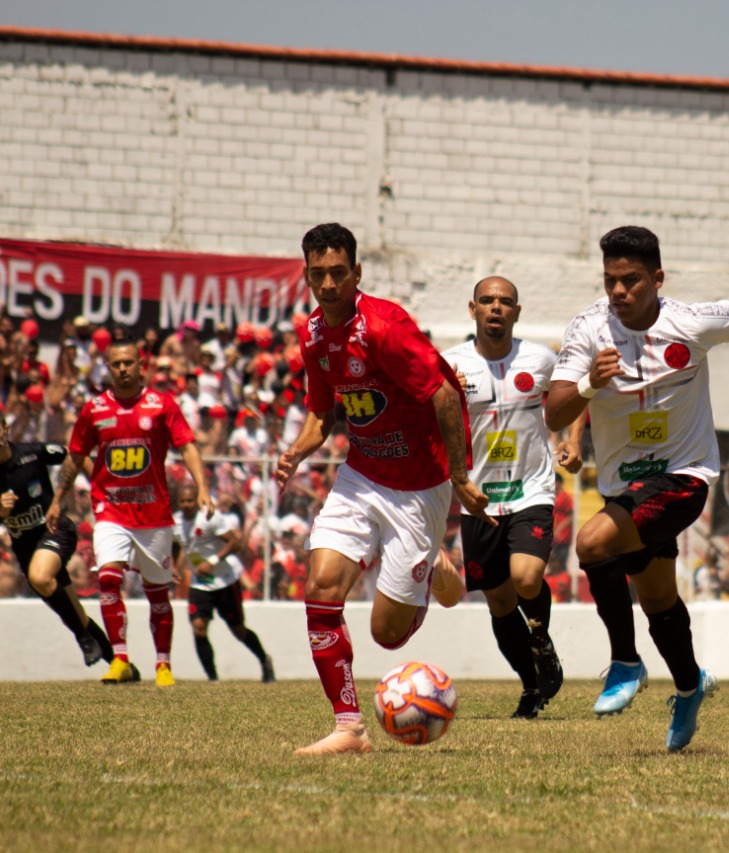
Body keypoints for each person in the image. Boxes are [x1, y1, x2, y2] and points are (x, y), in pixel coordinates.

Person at [545, 225, 729, 751]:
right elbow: (555, 407)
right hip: (624, 487)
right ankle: (688, 686)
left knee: (590, 543)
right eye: (611, 280)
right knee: (658, 598)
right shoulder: (589, 330)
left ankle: (625, 663)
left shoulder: (690, 322)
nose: (618, 291)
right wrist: (591, 381)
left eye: (631, 280)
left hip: (685, 475)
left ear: (657, 278)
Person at [276, 223, 482, 756]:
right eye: (317, 274)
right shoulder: (314, 333)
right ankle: (349, 729)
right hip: (362, 475)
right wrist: (298, 450)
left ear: (357, 273)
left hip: (420, 488)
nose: (328, 284)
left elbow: (441, 396)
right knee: (320, 588)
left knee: (386, 635)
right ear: (306, 275)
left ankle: (434, 565)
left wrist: (459, 478)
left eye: (338, 273)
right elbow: (323, 414)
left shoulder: (385, 327)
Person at [441, 276, 586, 718]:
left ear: (517, 312)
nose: (496, 308)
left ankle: (540, 639)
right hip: (479, 499)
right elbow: (430, 421)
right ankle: (532, 688)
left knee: (526, 580)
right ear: (473, 310)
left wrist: (572, 441)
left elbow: (578, 393)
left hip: (532, 490)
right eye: (487, 301)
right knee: (500, 602)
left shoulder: (540, 358)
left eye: (505, 302)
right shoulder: (450, 365)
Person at [48, 339, 215, 687]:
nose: (122, 369)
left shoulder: (161, 405)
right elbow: (75, 456)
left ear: (141, 365)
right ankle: (120, 659)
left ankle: (163, 665)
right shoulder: (94, 409)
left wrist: (202, 488)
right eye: (116, 364)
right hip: (110, 511)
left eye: (128, 363)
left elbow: (188, 447)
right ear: (108, 368)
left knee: (158, 592)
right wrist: (57, 498)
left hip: (154, 515)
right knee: (108, 578)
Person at [0, 417, 113, 668]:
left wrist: (100, 491)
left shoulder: (32, 453)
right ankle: (120, 665)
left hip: (55, 530)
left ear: (5, 430)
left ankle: (84, 640)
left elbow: (77, 455)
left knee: (40, 578)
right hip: (26, 548)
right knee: (76, 614)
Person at [171, 483, 274, 683]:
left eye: (190, 500)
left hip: (225, 580)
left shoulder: (209, 518)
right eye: (182, 501)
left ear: (197, 500)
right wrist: (175, 567)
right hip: (199, 584)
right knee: (198, 627)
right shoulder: (175, 522)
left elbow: (235, 541)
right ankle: (213, 678)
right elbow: (174, 545)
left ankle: (264, 659)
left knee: (238, 629)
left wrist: (212, 561)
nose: (186, 504)